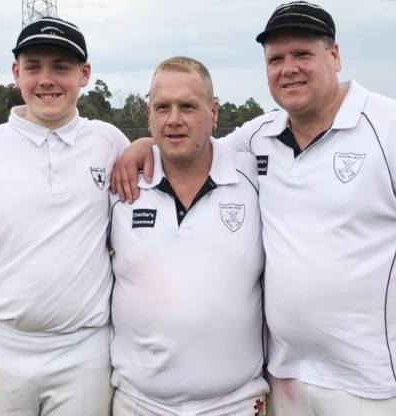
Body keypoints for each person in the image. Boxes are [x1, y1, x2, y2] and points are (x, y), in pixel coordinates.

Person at [111, 2, 396, 415]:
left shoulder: (394, 128)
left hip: (376, 382)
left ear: (334, 56)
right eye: (275, 59)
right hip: (289, 377)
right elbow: (192, 149)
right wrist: (142, 145)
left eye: (303, 54)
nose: (289, 68)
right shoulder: (260, 137)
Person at [0, 16, 128, 416]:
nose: (47, 79)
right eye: (33, 66)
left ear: (84, 74)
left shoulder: (109, 141)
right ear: (16, 72)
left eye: (62, 67)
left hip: (85, 347)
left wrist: (139, 144)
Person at [108, 56, 269, 416]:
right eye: (162, 107)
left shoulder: (254, 176)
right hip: (139, 402)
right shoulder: (121, 183)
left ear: (213, 112)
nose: (174, 119)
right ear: (149, 115)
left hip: (235, 402)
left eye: (188, 107)